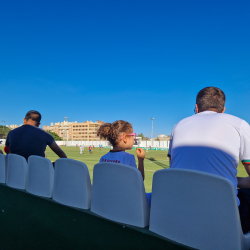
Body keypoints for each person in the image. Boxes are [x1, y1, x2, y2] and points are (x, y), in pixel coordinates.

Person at [167, 87, 250, 232]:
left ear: (197, 108)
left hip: (177, 209)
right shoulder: (239, 124)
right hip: (223, 215)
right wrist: (227, 180)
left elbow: (174, 170)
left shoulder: (178, 125)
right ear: (223, 109)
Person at [97, 120, 151, 206]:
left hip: (108, 201)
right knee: (152, 197)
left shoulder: (103, 158)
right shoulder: (129, 158)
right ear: (125, 137)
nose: (134, 139)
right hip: (126, 202)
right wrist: (141, 160)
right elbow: (139, 180)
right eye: (133, 136)